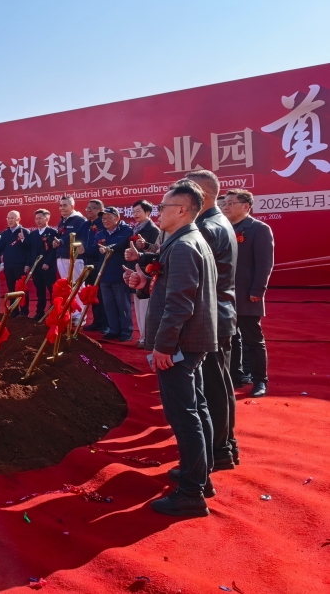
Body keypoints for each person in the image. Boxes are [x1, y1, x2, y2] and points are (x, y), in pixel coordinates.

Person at [125, 180, 217, 517]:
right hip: (189, 341)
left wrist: (163, 347)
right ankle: (199, 475)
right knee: (196, 409)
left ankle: (192, 493)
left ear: (181, 210)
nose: (158, 212)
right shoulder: (184, 240)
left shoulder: (182, 246)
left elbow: (179, 304)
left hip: (180, 344)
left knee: (183, 415)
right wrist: (144, 284)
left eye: (163, 207)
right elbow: (172, 289)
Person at [185, 169, 239, 470]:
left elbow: (194, 279)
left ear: (201, 194)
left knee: (212, 389)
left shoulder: (205, 227)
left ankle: (218, 451)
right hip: (221, 314)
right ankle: (226, 445)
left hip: (209, 318)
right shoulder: (219, 221)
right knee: (221, 385)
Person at [222, 189, 274, 398]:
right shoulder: (224, 228)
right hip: (225, 294)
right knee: (231, 338)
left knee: (253, 339)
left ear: (246, 206)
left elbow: (264, 264)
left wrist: (257, 290)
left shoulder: (258, 229)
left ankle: (260, 380)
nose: (225, 207)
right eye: (224, 203)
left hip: (247, 294)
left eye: (230, 203)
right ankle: (236, 376)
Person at [97, 207, 135, 341]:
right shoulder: (100, 234)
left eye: (108, 218)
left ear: (117, 218)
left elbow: (122, 247)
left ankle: (126, 331)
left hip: (121, 274)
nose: (105, 221)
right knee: (109, 305)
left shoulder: (127, 231)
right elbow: (94, 252)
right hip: (104, 274)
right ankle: (113, 329)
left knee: (123, 304)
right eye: (103, 218)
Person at [129, 200, 161, 348]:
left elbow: (156, 253)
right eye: (133, 211)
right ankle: (142, 336)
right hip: (137, 271)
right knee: (139, 308)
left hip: (148, 275)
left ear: (148, 212)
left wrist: (145, 247)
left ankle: (147, 338)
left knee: (146, 308)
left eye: (138, 211)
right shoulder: (135, 229)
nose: (135, 214)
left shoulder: (153, 230)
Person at [0, 210, 33, 316]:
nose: (10, 220)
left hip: (20, 266)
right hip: (8, 266)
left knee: (21, 289)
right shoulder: (5, 233)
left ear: (19, 219)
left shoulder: (25, 232)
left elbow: (29, 249)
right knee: (11, 289)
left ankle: (24, 311)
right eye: (8, 218)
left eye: (13, 218)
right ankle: (14, 310)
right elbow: (0, 248)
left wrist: (27, 264)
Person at [80, 199, 106, 331]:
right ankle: (97, 321)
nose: (89, 210)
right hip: (88, 264)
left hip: (100, 264)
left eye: (92, 208)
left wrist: (86, 251)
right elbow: (74, 235)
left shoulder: (103, 224)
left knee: (102, 295)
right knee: (92, 294)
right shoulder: (86, 224)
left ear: (100, 210)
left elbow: (100, 245)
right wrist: (61, 241)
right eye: (88, 208)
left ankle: (106, 324)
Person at [27, 209, 58, 320]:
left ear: (47, 218)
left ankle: (54, 312)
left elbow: (54, 251)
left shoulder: (53, 232)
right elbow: (30, 251)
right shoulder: (33, 234)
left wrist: (48, 263)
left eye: (40, 218)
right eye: (36, 218)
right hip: (36, 268)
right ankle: (40, 312)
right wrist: (29, 264)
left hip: (48, 268)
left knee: (52, 290)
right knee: (40, 291)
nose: (38, 221)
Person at [53, 196, 87, 282]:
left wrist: (61, 241)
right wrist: (56, 242)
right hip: (61, 257)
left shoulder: (79, 220)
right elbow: (61, 237)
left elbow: (77, 235)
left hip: (75, 258)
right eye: (60, 205)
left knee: (78, 286)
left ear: (72, 206)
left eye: (65, 205)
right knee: (66, 286)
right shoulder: (61, 221)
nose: (62, 208)